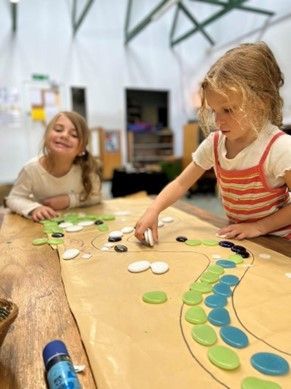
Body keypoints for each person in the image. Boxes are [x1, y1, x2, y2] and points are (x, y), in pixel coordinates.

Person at [135, 41, 291, 242]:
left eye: (228, 110)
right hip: (244, 238)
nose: (218, 121)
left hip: (280, 241)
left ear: (260, 103)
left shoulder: (280, 147)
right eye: (214, 111)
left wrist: (259, 226)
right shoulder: (215, 143)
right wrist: (153, 209)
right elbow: (182, 183)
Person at [6, 111, 102, 222]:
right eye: (58, 130)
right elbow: (13, 198)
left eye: (74, 135)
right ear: (46, 137)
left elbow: (96, 196)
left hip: (78, 226)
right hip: (42, 228)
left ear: (81, 149)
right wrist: (35, 209)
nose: (64, 135)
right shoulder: (31, 169)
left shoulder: (87, 168)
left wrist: (69, 200)